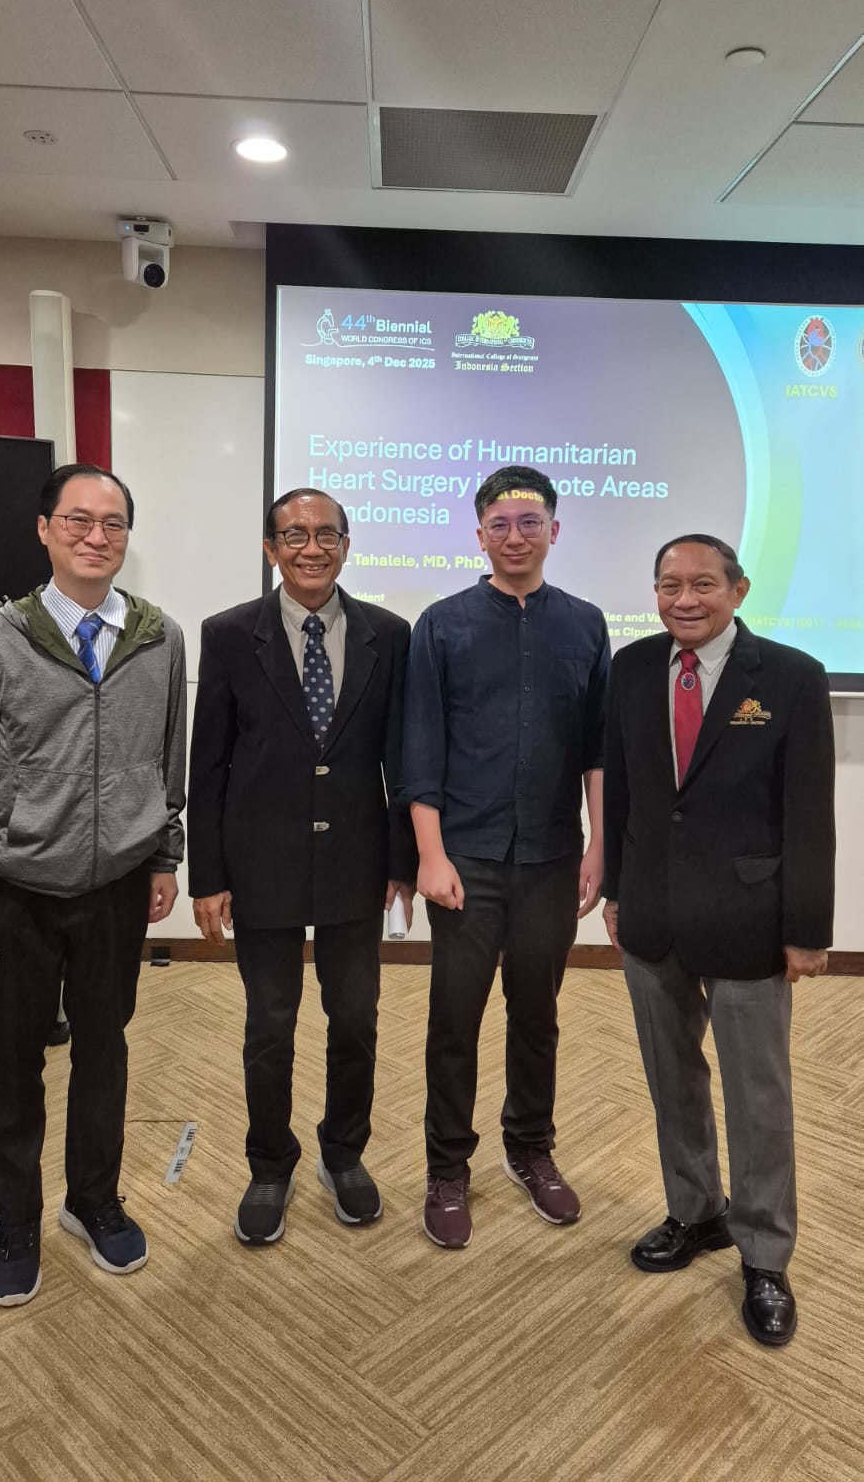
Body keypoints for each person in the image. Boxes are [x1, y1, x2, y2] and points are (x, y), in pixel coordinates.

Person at [602, 534, 835, 1347]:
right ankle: (696, 1211)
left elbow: (809, 813)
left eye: (703, 584)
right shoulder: (632, 668)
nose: (685, 599)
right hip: (653, 915)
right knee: (672, 1080)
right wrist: (617, 891)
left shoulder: (793, 676)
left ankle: (764, 1255)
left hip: (750, 921)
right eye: (669, 585)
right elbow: (626, 792)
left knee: (756, 1097)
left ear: (739, 590)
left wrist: (806, 928)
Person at [0, 463, 186, 1307]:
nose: (97, 537)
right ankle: (16, 1221)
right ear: (44, 529)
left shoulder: (159, 638)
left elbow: (169, 759)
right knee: (15, 1062)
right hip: (16, 891)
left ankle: (92, 1200)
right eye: (79, 520)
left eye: (113, 523)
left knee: (104, 1049)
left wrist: (163, 856)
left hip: (117, 887)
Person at [188, 488, 416, 1245]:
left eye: (325, 535)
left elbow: (400, 758)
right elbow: (209, 764)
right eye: (294, 535)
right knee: (270, 1025)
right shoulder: (229, 634)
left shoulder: (390, 634)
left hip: (357, 864)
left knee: (355, 1020)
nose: (310, 548)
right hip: (262, 865)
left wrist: (402, 861)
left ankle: (343, 1154)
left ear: (347, 546)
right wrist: (208, 876)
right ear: (270, 548)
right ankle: (269, 1164)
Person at [402, 465, 609, 1248]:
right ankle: (447, 1167)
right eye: (500, 524)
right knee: (454, 1019)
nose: (515, 537)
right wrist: (430, 856)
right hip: (467, 859)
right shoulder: (442, 624)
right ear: (479, 534)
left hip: (552, 857)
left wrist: (599, 846)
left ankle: (530, 1149)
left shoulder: (585, 625)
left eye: (529, 523)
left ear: (554, 531)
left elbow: (597, 750)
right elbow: (420, 748)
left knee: (537, 1014)